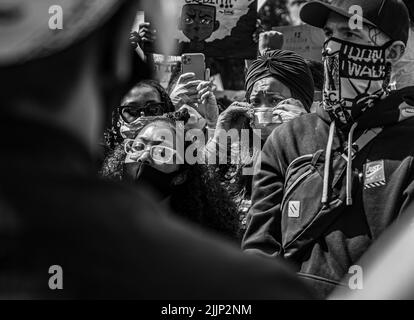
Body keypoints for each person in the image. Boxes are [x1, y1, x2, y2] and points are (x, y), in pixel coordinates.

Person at [0, 0, 312, 299]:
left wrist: (305, 139)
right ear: (117, 64)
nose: (147, 154)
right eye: (139, 144)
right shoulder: (242, 287)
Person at [242, 0, 414, 299]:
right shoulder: (289, 138)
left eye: (350, 35)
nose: (333, 48)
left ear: (394, 53)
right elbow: (259, 252)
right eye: (329, 34)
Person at [206, 49, 315, 234]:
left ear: (301, 104)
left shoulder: (325, 148)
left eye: (274, 100)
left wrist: (303, 133)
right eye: (256, 102)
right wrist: (218, 138)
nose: (264, 111)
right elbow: (197, 196)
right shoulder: (236, 156)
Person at [102, 111, 240, 240]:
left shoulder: (192, 242)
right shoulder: (97, 221)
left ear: (180, 176)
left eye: (162, 152)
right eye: (138, 147)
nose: (144, 157)